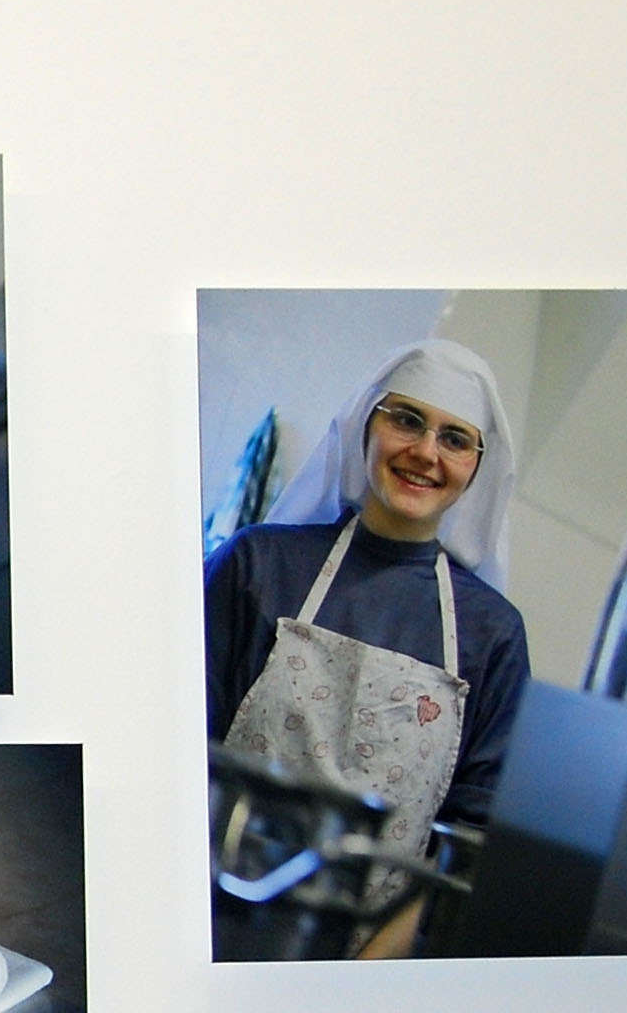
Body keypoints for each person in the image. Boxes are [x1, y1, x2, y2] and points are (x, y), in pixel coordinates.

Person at [205, 338, 534, 865]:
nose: (425, 452)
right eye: (406, 420)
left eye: (454, 439)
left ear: (477, 467)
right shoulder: (258, 564)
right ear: (366, 424)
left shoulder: (493, 634)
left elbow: (473, 836)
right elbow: (173, 746)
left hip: (380, 917)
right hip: (215, 890)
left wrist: (396, 924)